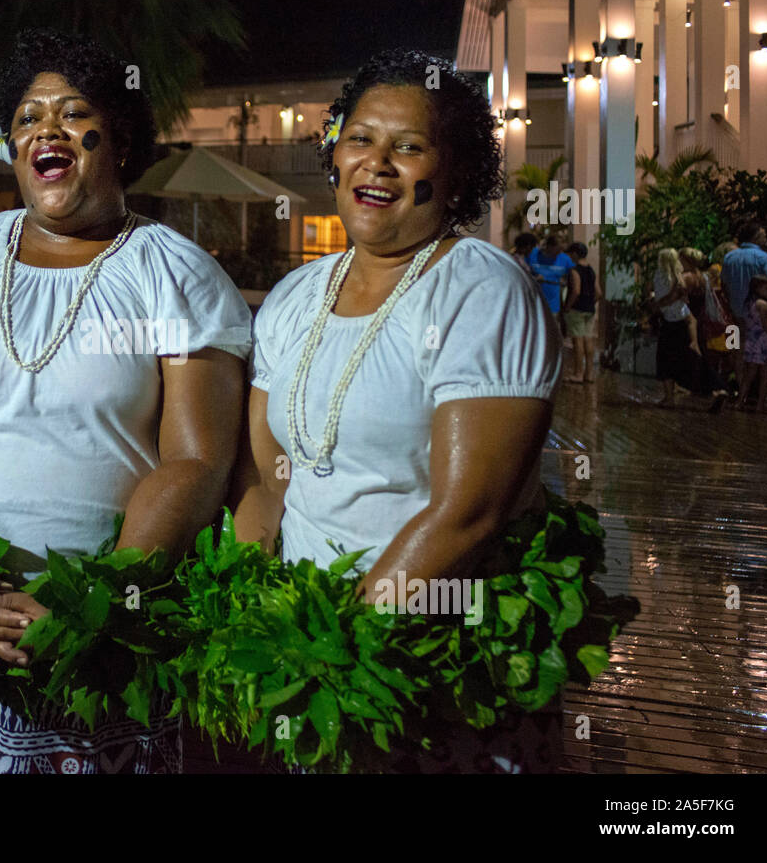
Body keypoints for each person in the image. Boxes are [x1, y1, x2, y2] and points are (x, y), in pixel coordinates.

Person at [0, 29, 251, 774]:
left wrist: (94, 605)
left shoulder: (177, 276)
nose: (46, 129)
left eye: (72, 114)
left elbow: (195, 458)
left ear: (121, 141)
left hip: (102, 635)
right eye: (29, 117)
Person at [231, 49, 563, 772]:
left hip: (425, 662)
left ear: (457, 172)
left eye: (408, 146)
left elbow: (467, 511)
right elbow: (266, 481)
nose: (377, 162)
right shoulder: (294, 297)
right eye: (360, 138)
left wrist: (342, 651)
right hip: (307, 658)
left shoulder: (480, 290)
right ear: (334, 153)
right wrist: (258, 624)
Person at [722, 222, 767, 391]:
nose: (766, 238)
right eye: (762, 235)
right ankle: (755, 393)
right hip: (758, 313)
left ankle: (740, 387)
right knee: (762, 355)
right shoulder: (763, 258)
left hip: (735, 312)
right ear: (754, 237)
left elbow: (723, 283)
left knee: (736, 349)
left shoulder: (729, 257)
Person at [679, 247, 729, 411]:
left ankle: (718, 386)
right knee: (702, 355)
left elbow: (680, 298)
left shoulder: (686, 277)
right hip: (702, 322)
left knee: (694, 355)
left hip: (689, 321)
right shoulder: (703, 277)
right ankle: (713, 388)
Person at [652, 247, 697, 408]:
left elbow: (662, 300)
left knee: (665, 360)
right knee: (686, 358)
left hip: (669, 320)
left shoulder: (661, 276)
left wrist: (658, 304)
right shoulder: (680, 277)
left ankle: (669, 396)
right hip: (683, 319)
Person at [736, 275, 767, 412]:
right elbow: (766, 325)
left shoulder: (749, 302)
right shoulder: (763, 304)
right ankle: (760, 405)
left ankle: (739, 401)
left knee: (749, 374)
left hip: (752, 340)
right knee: (765, 375)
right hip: (764, 342)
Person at [562, 242, 599, 383]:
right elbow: (599, 292)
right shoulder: (591, 270)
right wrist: (590, 302)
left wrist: (568, 306)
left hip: (577, 309)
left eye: (570, 254)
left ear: (575, 254)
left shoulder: (574, 270)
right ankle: (589, 374)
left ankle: (578, 373)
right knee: (588, 340)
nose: (569, 257)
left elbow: (576, 290)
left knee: (577, 341)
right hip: (589, 309)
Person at [527, 233, 573, 318]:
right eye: (557, 250)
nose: (559, 253)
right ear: (549, 246)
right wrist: (534, 278)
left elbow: (572, 277)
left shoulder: (565, 259)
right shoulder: (533, 254)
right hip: (533, 303)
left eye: (561, 250)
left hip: (553, 306)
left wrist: (565, 281)